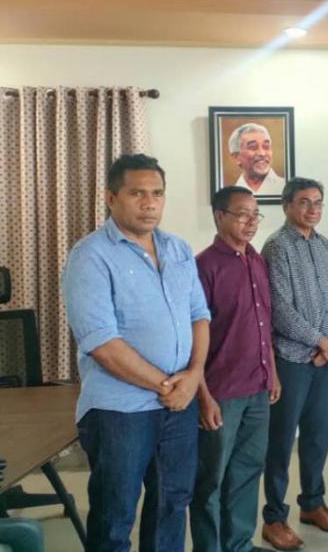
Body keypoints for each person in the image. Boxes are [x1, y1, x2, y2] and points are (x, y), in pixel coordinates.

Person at [62, 153, 210, 551]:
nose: (149, 203)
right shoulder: (90, 256)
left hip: (179, 405)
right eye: (137, 193)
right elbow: (102, 343)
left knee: (172, 505)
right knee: (115, 512)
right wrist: (168, 385)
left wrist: (195, 375)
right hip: (120, 410)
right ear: (111, 198)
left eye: (157, 193)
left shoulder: (178, 249)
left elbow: (199, 315)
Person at [190, 186, 282, 552]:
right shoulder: (203, 266)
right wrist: (203, 396)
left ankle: (239, 544)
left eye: (256, 215)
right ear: (219, 216)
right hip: (221, 393)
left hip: (257, 388)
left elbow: (263, 322)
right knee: (210, 480)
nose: (251, 222)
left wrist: (271, 372)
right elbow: (193, 337)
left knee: (247, 472)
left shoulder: (256, 260)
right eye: (242, 214)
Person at [260, 178, 328, 550]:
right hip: (291, 361)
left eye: (318, 202)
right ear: (287, 206)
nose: (313, 209)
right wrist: (319, 341)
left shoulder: (324, 246)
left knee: (317, 437)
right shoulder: (277, 247)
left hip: (322, 361)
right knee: (280, 443)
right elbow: (279, 309)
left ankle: (312, 504)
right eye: (304, 202)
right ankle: (274, 518)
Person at [229, 123, 286, 195]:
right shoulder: (232, 194)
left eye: (266, 146)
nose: (262, 153)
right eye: (253, 147)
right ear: (236, 157)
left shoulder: (284, 186)